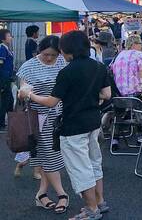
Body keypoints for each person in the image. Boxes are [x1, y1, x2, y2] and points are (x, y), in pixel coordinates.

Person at [21, 30, 112, 220]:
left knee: (80, 169)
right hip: (94, 122)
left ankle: (91, 209)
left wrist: (30, 95)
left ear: (67, 50)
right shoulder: (99, 67)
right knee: (95, 163)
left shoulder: (66, 72)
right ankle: (100, 202)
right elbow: (106, 95)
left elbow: (52, 102)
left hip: (73, 126)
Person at [16, 35, 70, 214]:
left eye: (53, 55)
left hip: (60, 114)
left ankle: (41, 194)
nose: (49, 58)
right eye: (46, 54)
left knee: (45, 155)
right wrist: (25, 93)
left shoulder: (62, 62)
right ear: (40, 50)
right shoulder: (29, 66)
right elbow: (21, 92)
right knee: (50, 154)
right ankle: (62, 194)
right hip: (38, 116)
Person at [111, 35, 142, 100]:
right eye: (141, 44)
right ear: (134, 44)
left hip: (118, 94)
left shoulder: (119, 55)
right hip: (133, 92)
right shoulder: (140, 54)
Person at [0, 29, 15, 132]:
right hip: (4, 79)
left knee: (10, 101)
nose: (10, 37)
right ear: (3, 38)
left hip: (7, 78)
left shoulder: (6, 48)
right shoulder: (2, 49)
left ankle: (10, 122)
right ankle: (2, 123)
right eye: (9, 36)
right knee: (6, 101)